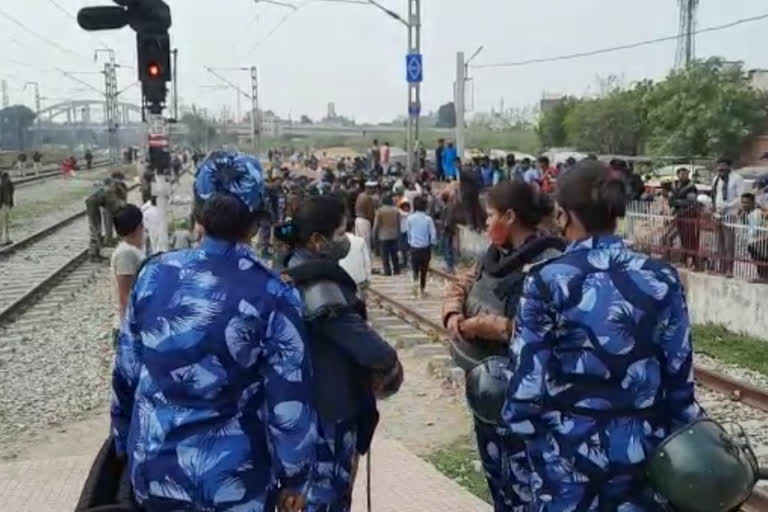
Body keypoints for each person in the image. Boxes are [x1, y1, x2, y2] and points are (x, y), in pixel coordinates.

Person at [111, 151, 318, 511]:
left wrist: (123, 440)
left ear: (198, 212)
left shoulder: (153, 275)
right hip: (235, 484)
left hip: (155, 472)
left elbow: (126, 373)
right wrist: (296, 477)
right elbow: (290, 401)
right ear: (255, 223)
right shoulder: (274, 294)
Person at [503, 160, 700, 511]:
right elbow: (680, 380)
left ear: (563, 215)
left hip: (565, 459)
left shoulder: (546, 280)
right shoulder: (661, 278)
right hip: (644, 454)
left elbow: (526, 386)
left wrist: (532, 446)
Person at [441, 181, 565, 511]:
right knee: (499, 483)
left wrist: (486, 327)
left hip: (526, 398)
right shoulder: (494, 256)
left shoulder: (549, 263)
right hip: (488, 394)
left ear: (510, 217)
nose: (485, 222)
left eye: (491, 215)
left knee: (527, 488)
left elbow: (542, 328)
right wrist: (453, 311)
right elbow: (465, 282)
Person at [276, 196, 403, 512]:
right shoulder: (320, 288)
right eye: (339, 233)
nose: (345, 240)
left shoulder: (289, 271)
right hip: (328, 419)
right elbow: (375, 351)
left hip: (296, 412)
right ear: (317, 241)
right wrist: (390, 369)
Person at [109, 205, 145, 347]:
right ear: (139, 226)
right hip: (127, 327)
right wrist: (131, 331)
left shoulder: (130, 250)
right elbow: (125, 295)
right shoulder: (126, 254)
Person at [711, 157, 745, 276]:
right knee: (719, 242)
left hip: (730, 214)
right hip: (717, 213)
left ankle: (729, 269)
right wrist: (714, 207)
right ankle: (721, 268)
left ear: (729, 167)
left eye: (723, 166)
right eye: (719, 166)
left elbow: (741, 197)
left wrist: (728, 205)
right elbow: (714, 195)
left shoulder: (737, 179)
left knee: (729, 243)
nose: (721, 168)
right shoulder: (716, 179)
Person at [664, 167, 701, 268]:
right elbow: (670, 199)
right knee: (668, 236)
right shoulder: (674, 185)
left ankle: (690, 261)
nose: (684, 176)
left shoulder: (691, 187)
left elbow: (690, 201)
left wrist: (676, 202)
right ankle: (668, 259)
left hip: (688, 215)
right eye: (681, 174)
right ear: (677, 174)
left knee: (688, 239)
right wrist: (675, 202)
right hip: (676, 215)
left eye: (686, 174)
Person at [405, 195, 437, 298]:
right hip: (425, 248)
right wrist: (433, 243)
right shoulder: (428, 219)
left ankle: (414, 290)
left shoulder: (409, 218)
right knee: (424, 270)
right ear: (425, 206)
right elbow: (433, 234)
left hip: (414, 248)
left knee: (415, 269)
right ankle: (422, 290)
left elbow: (408, 233)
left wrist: (410, 242)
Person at [85, 181, 123, 262]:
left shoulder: (109, 192)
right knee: (96, 230)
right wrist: (109, 238)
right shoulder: (111, 196)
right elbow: (109, 221)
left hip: (92, 202)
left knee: (96, 229)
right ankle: (93, 254)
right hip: (92, 204)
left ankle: (96, 252)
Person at [741, 192, 768, 282]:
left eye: (747, 203)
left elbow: (753, 231)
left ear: (752, 203)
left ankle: (763, 278)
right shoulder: (749, 213)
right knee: (759, 261)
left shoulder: (755, 213)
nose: (744, 205)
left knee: (761, 261)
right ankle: (763, 278)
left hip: (758, 241)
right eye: (743, 202)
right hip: (755, 241)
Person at [373, 193, 401, 276]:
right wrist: (398, 234)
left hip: (383, 236)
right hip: (394, 235)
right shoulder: (396, 210)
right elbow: (398, 224)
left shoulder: (380, 211)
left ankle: (387, 271)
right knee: (394, 254)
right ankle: (396, 270)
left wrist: (374, 235)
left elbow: (376, 225)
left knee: (385, 256)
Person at [339, 231, 372, 295]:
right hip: (360, 279)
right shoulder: (360, 241)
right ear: (353, 228)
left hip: (343, 278)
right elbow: (367, 262)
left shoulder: (336, 242)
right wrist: (368, 278)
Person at [354, 181, 377, 250]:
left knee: (359, 243)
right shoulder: (367, 198)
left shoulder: (360, 195)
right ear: (369, 188)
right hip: (365, 221)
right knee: (366, 244)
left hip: (358, 220)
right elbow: (371, 213)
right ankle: (367, 260)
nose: (375, 191)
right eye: (374, 189)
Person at [0, 172, 14, 246]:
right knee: (3, 222)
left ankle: (5, 238)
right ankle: (4, 239)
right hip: (4, 204)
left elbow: (11, 194)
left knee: (4, 222)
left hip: (5, 204)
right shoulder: (5, 184)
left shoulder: (7, 184)